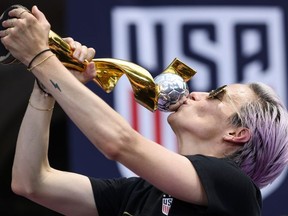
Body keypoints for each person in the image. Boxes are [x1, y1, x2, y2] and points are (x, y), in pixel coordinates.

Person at [1, 5, 288, 216]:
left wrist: (41, 58)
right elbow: (32, 182)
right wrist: (46, 86)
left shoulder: (236, 188)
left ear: (237, 133)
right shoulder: (143, 192)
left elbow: (120, 143)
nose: (199, 93)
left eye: (216, 96)